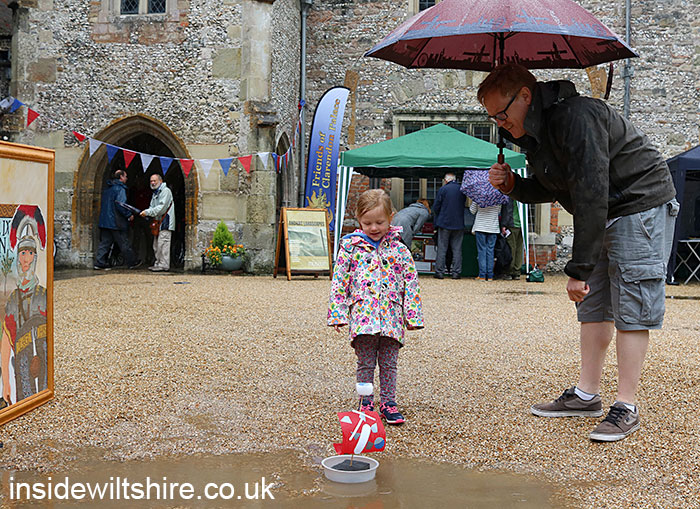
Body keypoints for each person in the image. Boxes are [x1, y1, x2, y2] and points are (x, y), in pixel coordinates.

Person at [481, 63, 678, 442]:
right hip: (604, 208)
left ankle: (626, 405)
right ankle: (587, 395)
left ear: (525, 96)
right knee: (593, 305)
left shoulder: (577, 117)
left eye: (501, 115)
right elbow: (556, 186)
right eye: (493, 118)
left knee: (632, 303)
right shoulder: (538, 133)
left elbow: (590, 190)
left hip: (639, 203)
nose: (500, 124)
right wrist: (513, 186)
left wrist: (579, 268)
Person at [328, 189, 424, 425]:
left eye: (379, 222)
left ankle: (389, 403)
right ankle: (366, 402)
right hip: (363, 315)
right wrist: (338, 313)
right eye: (367, 222)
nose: (373, 228)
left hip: (391, 316)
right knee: (365, 362)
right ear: (359, 219)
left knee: (389, 364)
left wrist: (413, 317)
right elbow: (340, 281)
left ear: (391, 218)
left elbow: (411, 282)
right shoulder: (350, 248)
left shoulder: (400, 249)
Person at [2, 207, 47, 406]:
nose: (26, 258)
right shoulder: (13, 299)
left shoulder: (43, 295)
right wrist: (6, 382)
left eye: (30, 253)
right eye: (22, 253)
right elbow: (6, 339)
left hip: (44, 364)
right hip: (21, 366)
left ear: (35, 257)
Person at [94, 169, 141, 270]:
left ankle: (99, 262)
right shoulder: (120, 189)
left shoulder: (107, 189)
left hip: (105, 221)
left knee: (105, 243)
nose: (127, 178)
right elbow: (121, 205)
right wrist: (129, 215)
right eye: (125, 176)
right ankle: (132, 262)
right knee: (124, 242)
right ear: (121, 177)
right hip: (116, 221)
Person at [432, 173, 466, 279]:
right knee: (457, 249)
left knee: (442, 248)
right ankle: (456, 272)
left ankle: (439, 272)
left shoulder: (443, 189)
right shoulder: (462, 189)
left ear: (446, 180)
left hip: (444, 222)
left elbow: (436, 207)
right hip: (458, 223)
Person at [139, 173, 174, 272]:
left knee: (163, 244)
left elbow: (161, 208)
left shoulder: (165, 191)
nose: (153, 183)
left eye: (154, 181)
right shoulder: (156, 193)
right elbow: (152, 206)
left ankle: (164, 265)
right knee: (156, 245)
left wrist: (147, 212)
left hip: (165, 222)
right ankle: (158, 263)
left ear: (160, 181)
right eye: (151, 181)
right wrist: (148, 212)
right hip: (158, 222)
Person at [469, 201, 501, 281]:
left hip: (480, 226)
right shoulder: (497, 198)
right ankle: (490, 275)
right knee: (490, 251)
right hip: (493, 227)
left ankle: (482, 275)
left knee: (482, 251)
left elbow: (472, 210)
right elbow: (498, 211)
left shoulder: (478, 197)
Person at [501, 199, 524, 280]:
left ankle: (509, 271)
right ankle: (517, 271)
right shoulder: (523, 197)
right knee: (519, 249)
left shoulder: (510, 197)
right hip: (522, 225)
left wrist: (504, 225)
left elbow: (508, 211)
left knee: (511, 248)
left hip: (512, 225)